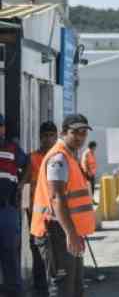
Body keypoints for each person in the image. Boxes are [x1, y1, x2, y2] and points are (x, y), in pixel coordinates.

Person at [31, 114, 95, 297]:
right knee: (62, 289)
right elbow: (57, 197)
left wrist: (76, 233)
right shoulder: (59, 158)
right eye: (75, 132)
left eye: (83, 133)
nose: (80, 137)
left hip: (67, 231)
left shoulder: (70, 157)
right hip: (55, 231)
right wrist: (71, 233)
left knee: (75, 289)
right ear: (63, 132)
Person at [27, 121, 58, 296]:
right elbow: (24, 186)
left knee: (55, 254)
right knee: (38, 253)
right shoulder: (32, 159)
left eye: (51, 135)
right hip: (36, 216)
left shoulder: (60, 158)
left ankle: (54, 287)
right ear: (40, 138)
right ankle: (40, 289)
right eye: (45, 136)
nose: (48, 139)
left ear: (56, 136)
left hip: (56, 216)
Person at [0, 114, 29, 297]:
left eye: (0, 126)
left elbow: (28, 165)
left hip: (6, 210)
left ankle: (15, 292)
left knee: (10, 253)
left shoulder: (12, 148)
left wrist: (20, 185)